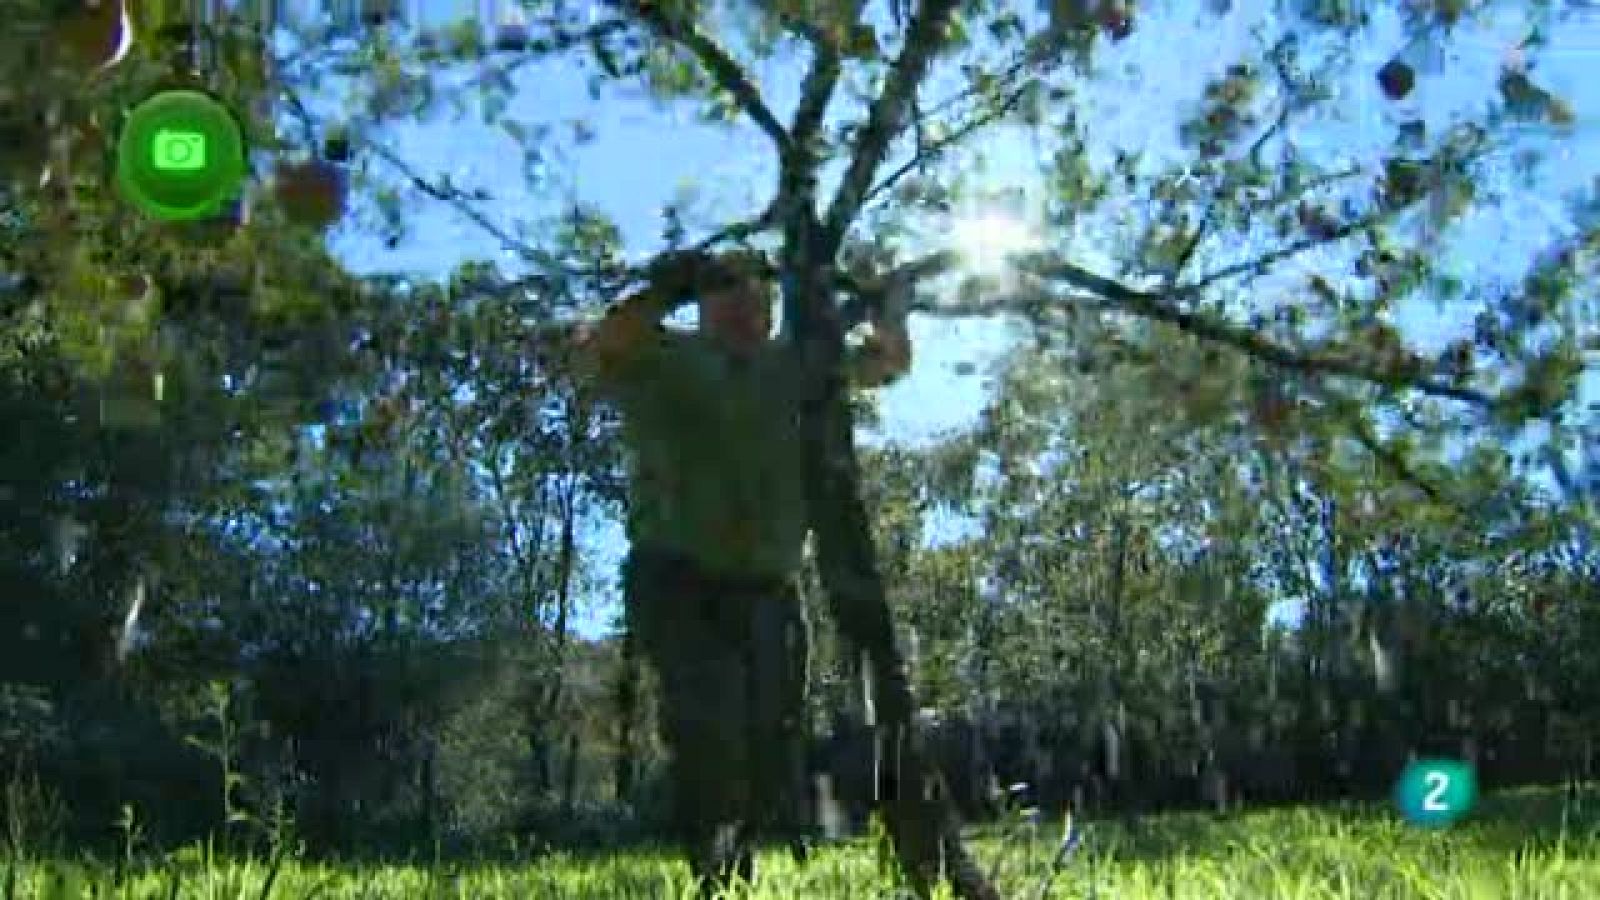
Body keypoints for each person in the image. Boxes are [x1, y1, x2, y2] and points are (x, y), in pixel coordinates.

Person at [562, 249, 912, 894]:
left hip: (771, 587)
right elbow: (598, 347)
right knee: (708, 723)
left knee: (771, 734)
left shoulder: (796, 364)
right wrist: (663, 290)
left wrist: (889, 303)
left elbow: (888, 363)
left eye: (759, 289)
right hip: (678, 578)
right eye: (726, 288)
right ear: (704, 301)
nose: (747, 300)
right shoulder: (666, 355)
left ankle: (737, 854)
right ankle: (718, 873)